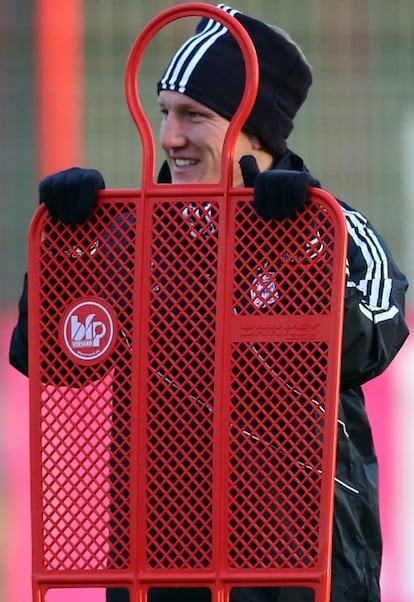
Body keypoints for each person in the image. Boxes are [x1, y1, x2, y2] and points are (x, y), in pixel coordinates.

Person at [9, 4, 409, 602]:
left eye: (194, 115)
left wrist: (292, 248)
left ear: (256, 130)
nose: (169, 137)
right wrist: (65, 255)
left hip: (305, 580)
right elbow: (54, 360)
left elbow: (368, 347)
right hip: (158, 580)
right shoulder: (131, 236)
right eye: (164, 113)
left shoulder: (334, 228)